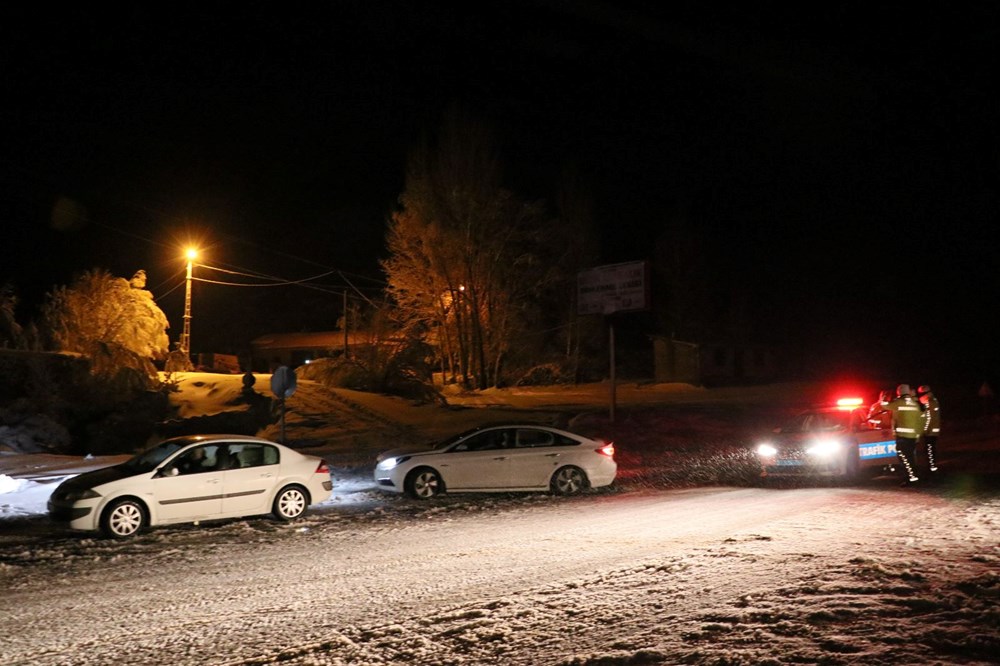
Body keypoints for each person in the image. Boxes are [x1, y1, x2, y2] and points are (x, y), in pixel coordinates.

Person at [880, 384, 923, 486]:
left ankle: (909, 479)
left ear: (899, 392)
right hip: (912, 437)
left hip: (903, 437)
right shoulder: (914, 403)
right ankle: (914, 477)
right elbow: (920, 421)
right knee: (911, 458)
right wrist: (918, 435)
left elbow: (885, 405)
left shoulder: (899, 402)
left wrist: (884, 398)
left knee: (904, 459)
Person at [916, 385, 941, 473]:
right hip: (933, 429)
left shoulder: (930, 402)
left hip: (930, 431)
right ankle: (932, 465)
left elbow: (929, 418)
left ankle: (932, 466)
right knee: (930, 448)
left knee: (930, 449)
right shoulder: (933, 400)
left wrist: (925, 430)